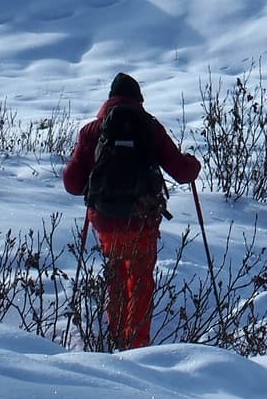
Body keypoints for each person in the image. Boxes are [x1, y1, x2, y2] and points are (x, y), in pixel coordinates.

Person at [63, 72, 202, 349]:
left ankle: (115, 338)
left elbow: (72, 184)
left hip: (106, 220)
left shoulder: (93, 130)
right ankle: (136, 346)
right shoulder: (150, 128)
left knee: (115, 276)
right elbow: (182, 172)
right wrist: (193, 164)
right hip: (142, 218)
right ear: (139, 100)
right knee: (140, 281)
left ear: (109, 100)